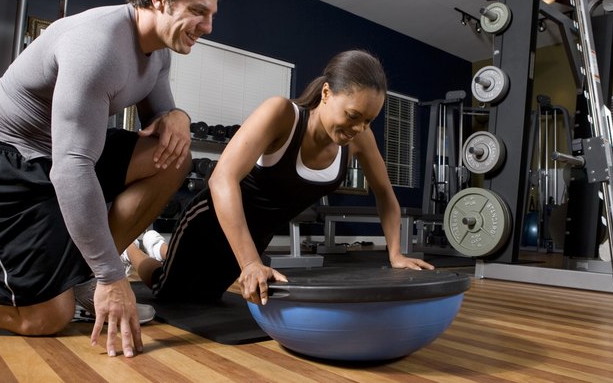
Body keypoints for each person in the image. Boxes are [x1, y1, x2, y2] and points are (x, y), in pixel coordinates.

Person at [0, 0, 231, 358]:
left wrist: (178, 115)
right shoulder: (99, 44)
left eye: (211, 14)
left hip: (62, 158)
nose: (207, 27)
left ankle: (84, 280)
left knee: (172, 156)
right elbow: (72, 169)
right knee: (46, 317)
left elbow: (160, 120)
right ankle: (95, 278)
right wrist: (113, 275)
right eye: (198, 11)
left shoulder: (159, 52)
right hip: (4, 164)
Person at [122, 49, 434, 306]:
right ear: (327, 93)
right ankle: (133, 249)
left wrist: (395, 254)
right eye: (353, 115)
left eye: (369, 121)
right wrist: (249, 263)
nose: (360, 128)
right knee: (169, 293)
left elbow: (384, 194)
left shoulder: (360, 140)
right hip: (211, 219)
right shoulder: (282, 114)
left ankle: (160, 247)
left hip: (256, 235)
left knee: (207, 296)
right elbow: (221, 179)